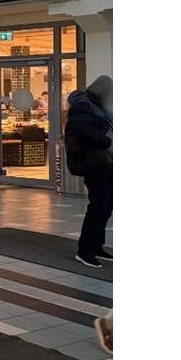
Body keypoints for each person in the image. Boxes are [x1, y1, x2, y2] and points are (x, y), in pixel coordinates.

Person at [66, 75, 113, 268]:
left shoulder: (96, 106)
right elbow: (82, 130)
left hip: (104, 161)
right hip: (93, 162)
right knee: (99, 204)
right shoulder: (83, 106)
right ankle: (85, 250)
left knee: (106, 203)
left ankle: (96, 245)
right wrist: (105, 140)